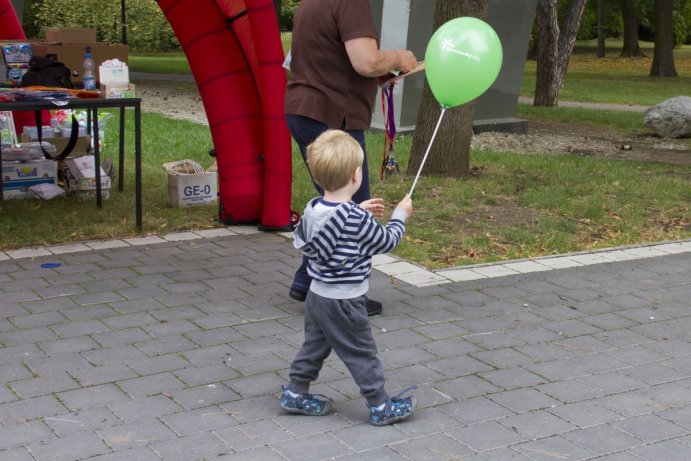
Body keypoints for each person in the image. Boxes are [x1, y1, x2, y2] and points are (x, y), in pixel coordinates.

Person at [285, 0, 418, 317]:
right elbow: (364, 61)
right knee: (357, 210)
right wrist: (399, 58)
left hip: (305, 110)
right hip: (332, 116)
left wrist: (379, 72)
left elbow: (328, 59)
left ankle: (306, 282)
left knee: (335, 203)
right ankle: (345, 298)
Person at [279, 130, 416, 426]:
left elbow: (336, 220)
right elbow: (386, 241)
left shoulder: (313, 209)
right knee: (362, 352)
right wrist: (399, 216)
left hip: (317, 297)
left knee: (314, 346)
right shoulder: (357, 219)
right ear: (356, 176)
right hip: (345, 301)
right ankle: (380, 406)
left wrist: (354, 210)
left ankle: (295, 392)